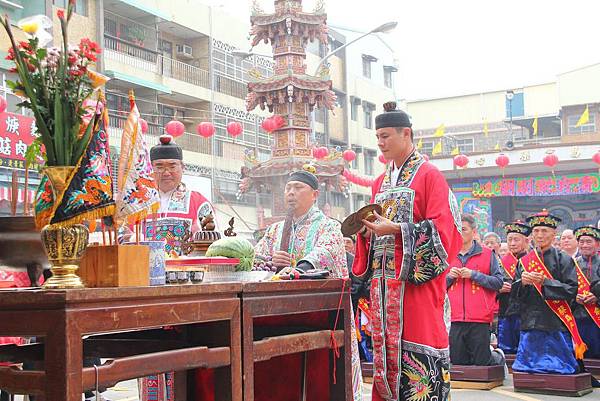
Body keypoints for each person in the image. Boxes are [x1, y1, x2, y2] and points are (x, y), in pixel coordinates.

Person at [352, 101, 462, 401]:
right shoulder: (379, 183)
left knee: (419, 350)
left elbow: (446, 232)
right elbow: (373, 240)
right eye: (377, 137)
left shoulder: (429, 176)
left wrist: (397, 230)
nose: (380, 142)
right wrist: (366, 234)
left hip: (416, 287)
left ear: (407, 134)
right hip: (383, 288)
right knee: (384, 355)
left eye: (385, 135)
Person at [254, 168, 363, 401]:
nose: (291, 193)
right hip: (275, 312)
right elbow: (256, 258)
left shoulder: (328, 226)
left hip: (316, 312)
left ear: (314, 195)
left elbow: (325, 252)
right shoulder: (275, 230)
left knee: (318, 374)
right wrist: (271, 261)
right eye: (288, 188)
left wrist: (299, 268)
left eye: (298, 188)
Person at [512, 210, 581, 374]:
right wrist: (522, 283)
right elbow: (514, 294)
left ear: (553, 234)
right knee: (529, 369)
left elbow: (571, 289)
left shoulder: (564, 259)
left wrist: (545, 282)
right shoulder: (524, 262)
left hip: (555, 320)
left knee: (561, 368)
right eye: (536, 231)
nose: (540, 235)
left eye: (544, 231)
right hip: (531, 320)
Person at [447, 214, 504, 366]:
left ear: (474, 231)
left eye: (464, 229)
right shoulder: (447, 254)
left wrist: (474, 275)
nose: (459, 233)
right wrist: (449, 277)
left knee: (481, 362)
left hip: (480, 317)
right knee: (458, 361)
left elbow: (498, 282)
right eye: (457, 229)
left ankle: (498, 358)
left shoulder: (487, 254)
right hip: (454, 317)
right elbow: (436, 286)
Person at [145, 135, 215, 255]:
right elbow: (125, 237)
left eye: (172, 166)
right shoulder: (139, 203)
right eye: (160, 167)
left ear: (182, 167)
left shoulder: (198, 202)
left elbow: (214, 243)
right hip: (144, 271)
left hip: (187, 271)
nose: (166, 172)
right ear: (150, 168)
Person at [497, 220, 530, 354]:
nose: (512, 243)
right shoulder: (501, 262)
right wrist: (499, 288)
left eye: (516, 240)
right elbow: (493, 282)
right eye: (510, 239)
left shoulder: (533, 260)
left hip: (526, 312)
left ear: (526, 241)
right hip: (506, 310)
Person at [573, 226, 600, 359]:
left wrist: (597, 297)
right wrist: (574, 297)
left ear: (598, 244)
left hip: (597, 316)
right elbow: (566, 287)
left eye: (588, 241)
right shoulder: (572, 263)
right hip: (578, 316)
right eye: (581, 242)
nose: (584, 245)